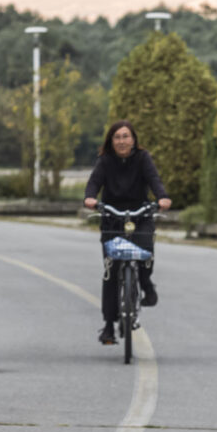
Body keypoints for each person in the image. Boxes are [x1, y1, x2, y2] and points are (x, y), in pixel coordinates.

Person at [83, 120, 172, 345]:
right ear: (111, 141)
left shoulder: (143, 158)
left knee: (145, 254)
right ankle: (109, 326)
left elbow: (154, 180)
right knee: (111, 270)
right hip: (112, 218)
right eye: (117, 137)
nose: (122, 141)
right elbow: (93, 183)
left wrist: (162, 197)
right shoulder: (105, 162)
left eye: (126, 136)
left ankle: (147, 284)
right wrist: (90, 198)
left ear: (133, 139)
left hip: (140, 215)